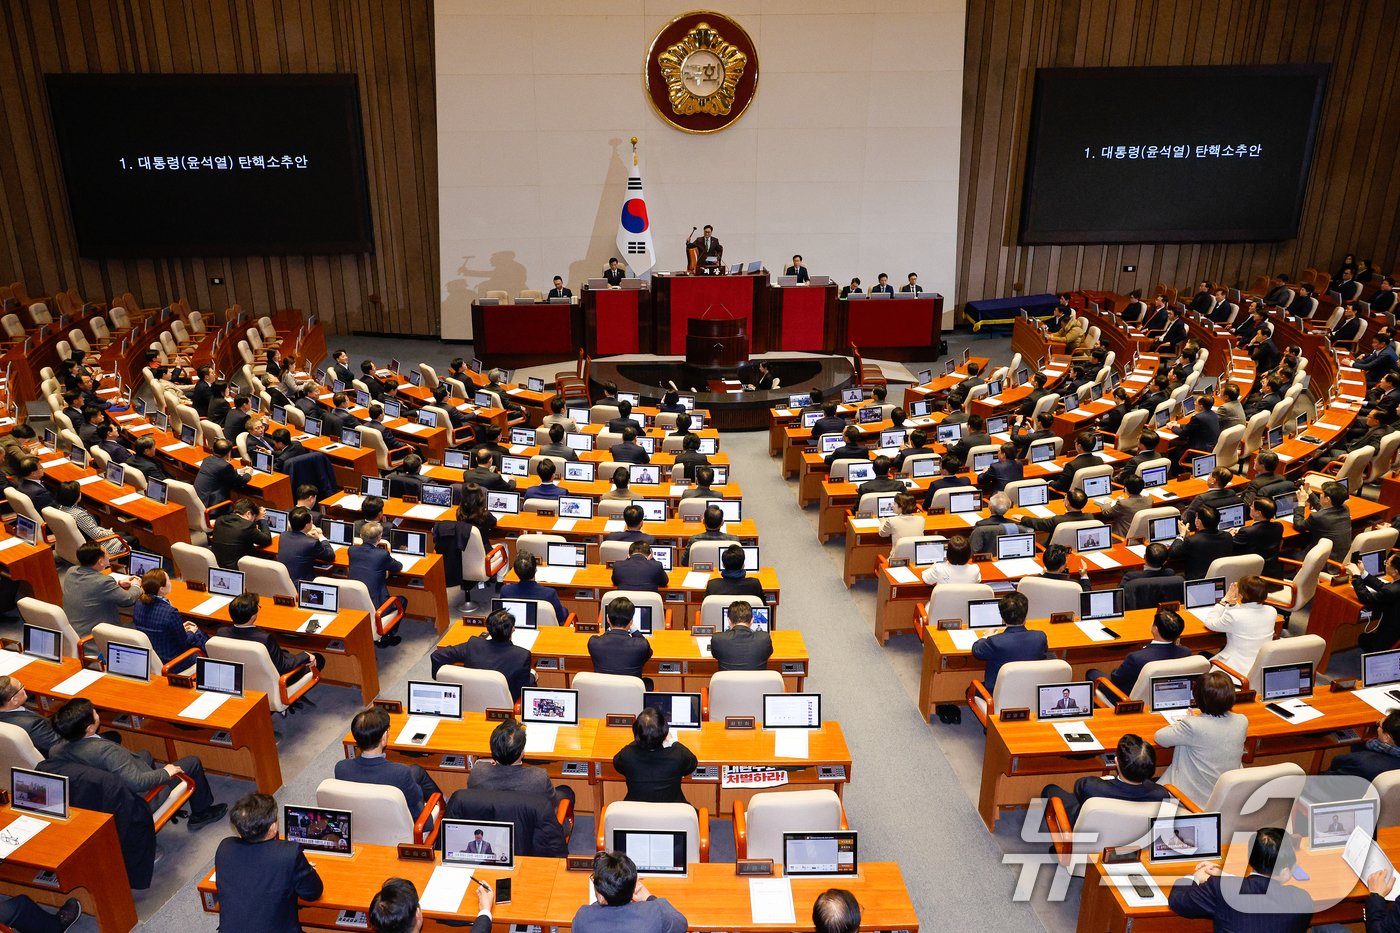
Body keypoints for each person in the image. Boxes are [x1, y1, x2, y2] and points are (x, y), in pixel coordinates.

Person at [50, 697, 227, 828]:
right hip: (140, 799)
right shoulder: (106, 751)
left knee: (145, 754)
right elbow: (137, 782)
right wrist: (167, 772)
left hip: (105, 798)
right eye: (94, 713)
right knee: (192, 762)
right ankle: (200, 814)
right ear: (89, 728)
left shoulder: (56, 750)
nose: (97, 713)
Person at [214, 792, 324, 933]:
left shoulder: (225, 848)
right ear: (273, 828)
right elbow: (313, 893)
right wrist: (302, 870)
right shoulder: (289, 854)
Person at [1167, 827, 1312, 931]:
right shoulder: (1302, 900)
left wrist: (1194, 877)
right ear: (1285, 871)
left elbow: (1178, 901)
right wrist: (1226, 877)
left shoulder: (1222, 889)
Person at [1038, 733, 1170, 834]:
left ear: (1117, 762)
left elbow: (1079, 789)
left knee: (1050, 790)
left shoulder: (1091, 787)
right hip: (1133, 838)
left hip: (1091, 832)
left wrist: (1106, 781)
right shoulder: (1161, 794)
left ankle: (1065, 844)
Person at [1155, 670, 1247, 804]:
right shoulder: (1242, 721)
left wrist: (1187, 721)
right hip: (1224, 797)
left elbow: (1160, 737)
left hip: (1190, 798)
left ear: (1198, 698)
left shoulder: (1192, 726)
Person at [335, 707, 442, 821]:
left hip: (362, 825)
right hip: (404, 829)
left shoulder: (341, 768)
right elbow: (417, 808)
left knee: (416, 770)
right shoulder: (400, 773)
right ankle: (444, 808)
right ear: (384, 737)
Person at [468, 718, 575, 809]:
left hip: (496, 830)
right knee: (566, 791)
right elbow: (552, 805)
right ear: (522, 752)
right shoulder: (538, 778)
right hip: (531, 831)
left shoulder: (477, 773)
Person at [573, 851, 688, 933]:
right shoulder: (655, 913)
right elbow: (681, 924)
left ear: (601, 897)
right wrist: (649, 897)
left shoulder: (582, 917)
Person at [430, 608, 534, 698]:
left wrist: (440, 678)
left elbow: (437, 656)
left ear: (488, 629)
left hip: (470, 699)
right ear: (513, 629)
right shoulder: (522, 656)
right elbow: (523, 689)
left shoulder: (473, 645)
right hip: (502, 706)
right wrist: (532, 676)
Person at [216, 592, 325, 674]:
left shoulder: (221, 633)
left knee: (284, 652)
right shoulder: (264, 638)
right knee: (318, 658)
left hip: (243, 675)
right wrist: (305, 655)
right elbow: (283, 667)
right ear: (253, 615)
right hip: (278, 678)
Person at [613, 707, 697, 804]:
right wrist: (673, 741)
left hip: (636, 816)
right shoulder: (678, 755)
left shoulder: (626, 755)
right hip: (673, 815)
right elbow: (692, 763)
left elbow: (617, 763)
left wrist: (640, 739)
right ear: (665, 732)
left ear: (635, 731)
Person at [971, 592, 1046, 690]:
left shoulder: (995, 642)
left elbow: (976, 650)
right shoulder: (1040, 637)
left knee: (970, 690)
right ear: (1025, 614)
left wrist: (987, 637)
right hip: (1029, 690)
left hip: (997, 693)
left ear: (1002, 617)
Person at [61, 543, 138, 637]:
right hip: (95, 638)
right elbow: (128, 599)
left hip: (75, 633)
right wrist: (136, 585)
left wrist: (119, 583)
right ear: (100, 561)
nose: (108, 555)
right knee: (141, 628)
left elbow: (91, 588)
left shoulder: (71, 571)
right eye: (106, 554)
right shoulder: (103, 582)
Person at [133, 568, 208, 665]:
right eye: (169, 580)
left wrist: (181, 628)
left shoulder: (138, 604)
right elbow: (184, 643)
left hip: (152, 656)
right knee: (198, 635)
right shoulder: (171, 612)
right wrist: (191, 632)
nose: (171, 582)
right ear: (162, 589)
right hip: (173, 661)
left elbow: (159, 629)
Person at [347, 522, 404, 646]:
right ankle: (386, 636)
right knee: (402, 601)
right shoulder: (381, 554)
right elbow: (398, 566)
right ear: (379, 538)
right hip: (376, 605)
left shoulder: (352, 550)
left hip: (354, 602)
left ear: (361, 535)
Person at [53, 481, 126, 555]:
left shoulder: (61, 507)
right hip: (92, 546)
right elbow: (97, 535)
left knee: (124, 533)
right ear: (75, 496)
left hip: (76, 542)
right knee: (132, 539)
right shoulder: (79, 516)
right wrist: (110, 532)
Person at [1349, 549, 1400, 653]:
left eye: (1388, 562)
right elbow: (1385, 587)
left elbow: (1365, 597)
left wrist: (1355, 576)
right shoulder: (1395, 587)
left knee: (1363, 639)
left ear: (1395, 571)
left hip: (1389, 637)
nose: (1385, 563)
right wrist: (1363, 573)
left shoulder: (1392, 591)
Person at [1326, 710, 1400, 782]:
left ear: (1386, 737)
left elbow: (1325, 783)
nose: (1377, 723)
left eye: (1379, 725)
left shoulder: (1361, 763)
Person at [590, 596, 653, 677]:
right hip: (630, 689)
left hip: (603, 689)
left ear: (608, 619)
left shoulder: (593, 643)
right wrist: (634, 630)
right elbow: (648, 653)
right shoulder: (641, 645)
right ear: (631, 621)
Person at [500, 551, 568, 626]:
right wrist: (565, 611)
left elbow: (502, 616)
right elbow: (561, 618)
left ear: (515, 572)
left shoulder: (505, 591)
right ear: (535, 569)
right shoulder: (550, 594)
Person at [1169, 503, 1235, 581]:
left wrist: (1182, 534)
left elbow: (1173, 553)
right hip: (1221, 578)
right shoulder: (1227, 536)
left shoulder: (1192, 541)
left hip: (1197, 581)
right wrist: (1189, 537)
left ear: (1198, 522)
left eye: (1196, 517)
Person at [0, 676, 62, 755]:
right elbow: (60, 746)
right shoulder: (33, 725)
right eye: (21, 686)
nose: (24, 688)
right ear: (14, 700)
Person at [1293, 481, 1353, 561]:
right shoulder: (1345, 509)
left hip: (1324, 561)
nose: (1320, 495)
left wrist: (1301, 503)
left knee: (1288, 552)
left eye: (1321, 493)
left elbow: (1299, 525)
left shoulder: (1318, 517)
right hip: (1340, 557)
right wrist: (1309, 491)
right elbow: (1324, 509)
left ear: (1327, 499)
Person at [209, 497, 272, 570]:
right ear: (248, 514)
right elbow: (267, 540)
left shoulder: (220, 520)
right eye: (254, 518)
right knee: (268, 555)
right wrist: (262, 520)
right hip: (237, 569)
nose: (253, 521)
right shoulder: (247, 526)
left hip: (217, 565)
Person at [276, 505, 334, 585]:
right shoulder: (311, 543)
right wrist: (321, 537)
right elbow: (330, 556)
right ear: (307, 525)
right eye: (311, 521)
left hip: (284, 581)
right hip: (303, 585)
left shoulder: (283, 536)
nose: (312, 522)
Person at [709, 601, 773, 671]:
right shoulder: (764, 638)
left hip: (728, 682)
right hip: (756, 681)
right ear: (752, 621)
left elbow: (715, 655)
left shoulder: (718, 639)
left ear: (729, 621)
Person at [1231, 496, 1284, 575]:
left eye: (1252, 506)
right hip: (1274, 571)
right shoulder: (1279, 526)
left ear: (1258, 513)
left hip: (1254, 574)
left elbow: (1231, 546)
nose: (1250, 508)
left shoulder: (1247, 532)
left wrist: (1229, 535)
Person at [195, 439, 254, 508]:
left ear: (213, 449)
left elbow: (220, 473)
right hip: (213, 505)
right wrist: (248, 474)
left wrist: (239, 471)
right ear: (229, 453)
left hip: (200, 500)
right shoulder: (225, 466)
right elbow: (240, 481)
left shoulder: (207, 459)